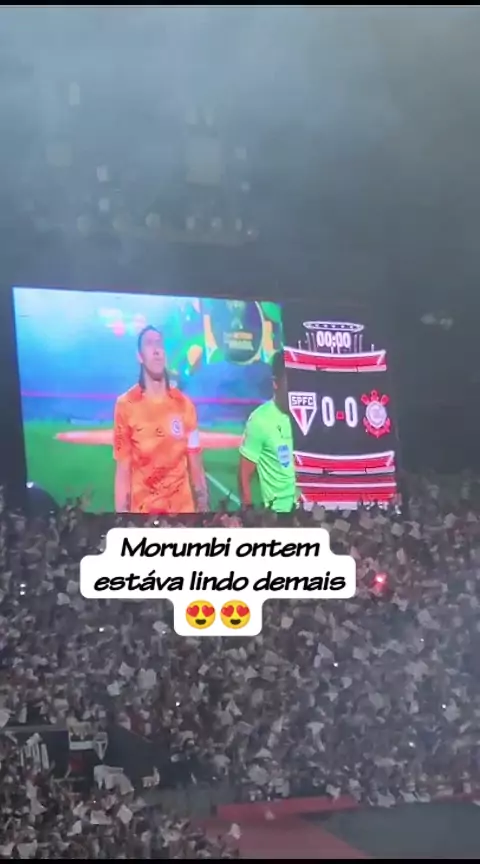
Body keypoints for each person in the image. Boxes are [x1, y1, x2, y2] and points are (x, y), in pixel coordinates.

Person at [113, 325, 209, 514]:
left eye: (159, 344)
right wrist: (122, 518)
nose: (156, 350)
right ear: (140, 356)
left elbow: (196, 466)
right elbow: (123, 470)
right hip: (144, 517)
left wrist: (204, 509)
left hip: (182, 516)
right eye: (149, 344)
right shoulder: (126, 405)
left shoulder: (185, 405)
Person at [238, 350, 297, 513]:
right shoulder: (260, 420)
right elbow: (244, 476)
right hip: (278, 516)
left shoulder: (308, 416)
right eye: (290, 382)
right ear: (276, 383)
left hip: (308, 513)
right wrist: (249, 514)